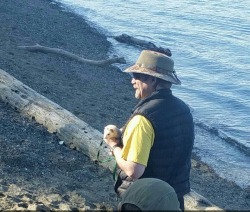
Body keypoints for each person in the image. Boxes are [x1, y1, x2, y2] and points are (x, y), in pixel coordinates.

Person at [104, 50, 194, 211]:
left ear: (152, 79)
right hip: (172, 197)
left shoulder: (143, 119)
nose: (132, 81)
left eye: (137, 76)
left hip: (145, 200)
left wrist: (114, 146)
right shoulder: (183, 110)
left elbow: (134, 170)